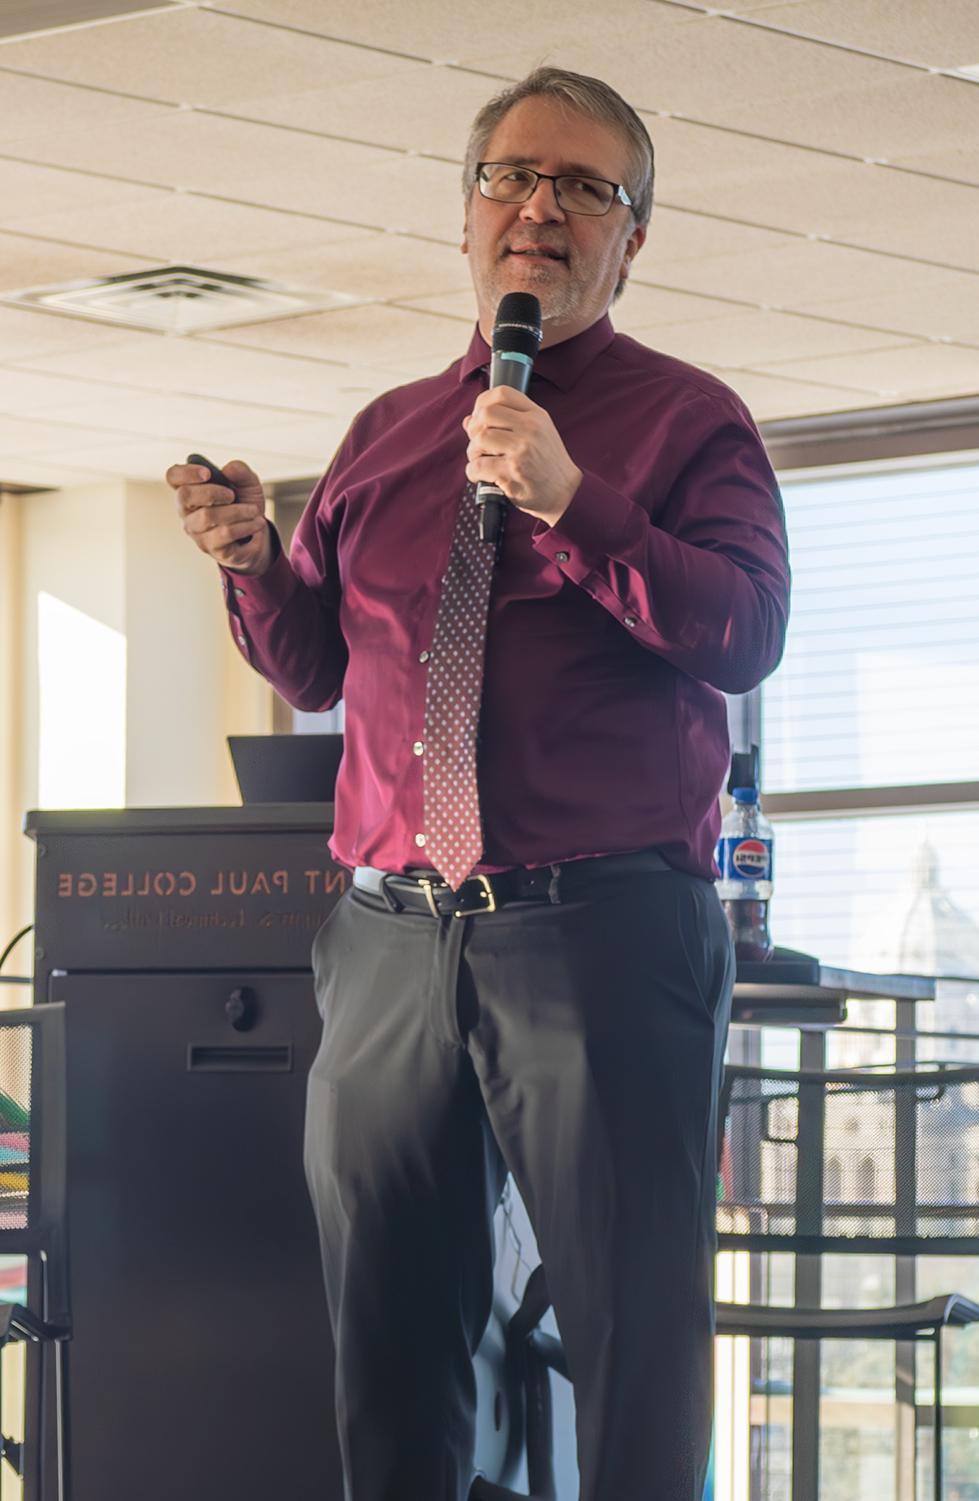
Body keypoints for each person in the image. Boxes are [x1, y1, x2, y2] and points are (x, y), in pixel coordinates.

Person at [167, 66, 790, 1501]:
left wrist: (577, 498)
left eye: (586, 188)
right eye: (514, 178)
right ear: (467, 215)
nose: (542, 210)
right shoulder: (387, 432)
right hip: (389, 935)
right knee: (386, 1343)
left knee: (633, 1342)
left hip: (604, 933)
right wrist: (257, 561)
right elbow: (322, 665)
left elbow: (745, 627)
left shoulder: (693, 425)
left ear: (636, 238)